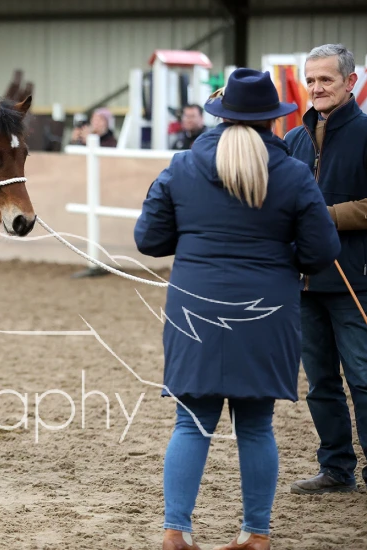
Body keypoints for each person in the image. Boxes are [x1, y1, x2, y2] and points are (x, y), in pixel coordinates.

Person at [134, 69, 340, 550]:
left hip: (194, 304)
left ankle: (176, 530)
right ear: (272, 120)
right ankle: (255, 533)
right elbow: (321, 251)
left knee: (191, 423)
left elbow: (149, 238)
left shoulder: (183, 166)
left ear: (221, 116)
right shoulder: (292, 173)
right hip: (267, 308)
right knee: (256, 424)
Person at [285, 43, 367, 495]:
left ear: (350, 82)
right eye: (310, 80)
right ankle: (336, 467)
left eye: (326, 79)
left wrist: (325, 215)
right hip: (304, 283)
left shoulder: (366, 133)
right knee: (320, 384)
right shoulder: (294, 140)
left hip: (355, 280)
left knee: (364, 379)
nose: (316, 88)